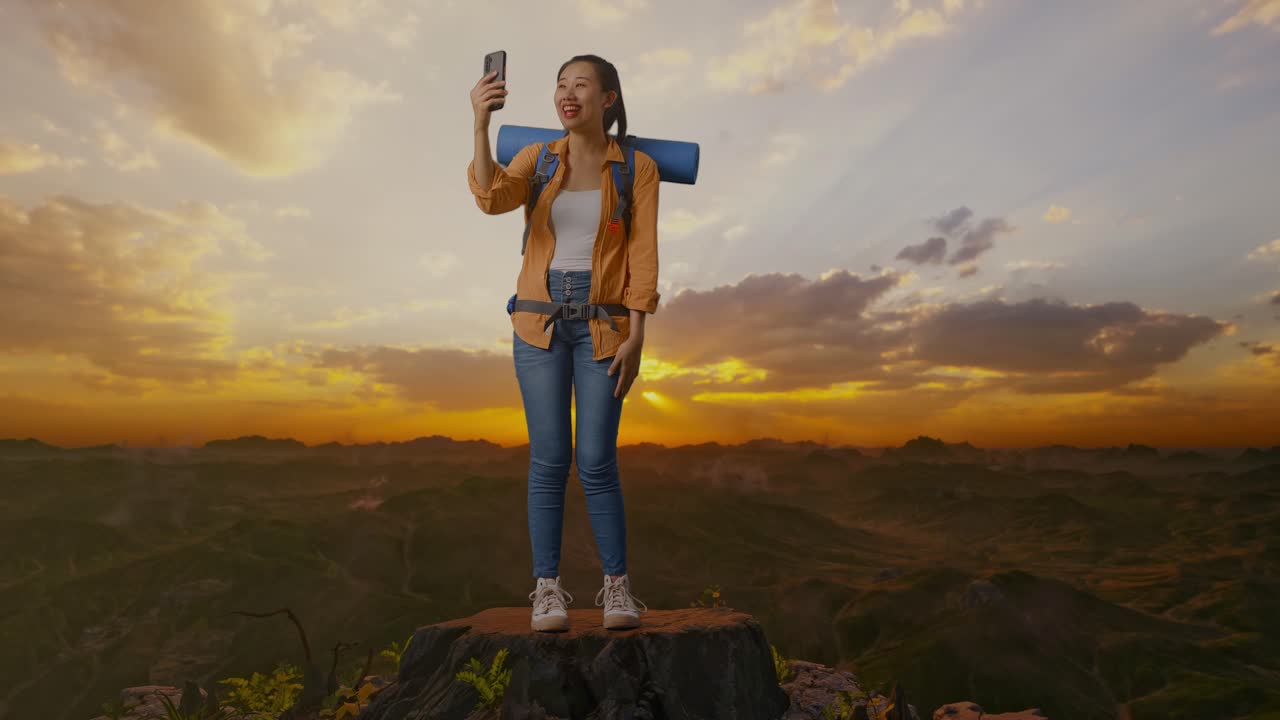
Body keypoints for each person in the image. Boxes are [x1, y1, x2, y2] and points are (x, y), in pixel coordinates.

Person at [467, 54, 660, 632]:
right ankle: (547, 590)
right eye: (560, 85)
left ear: (609, 99)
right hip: (538, 324)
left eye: (581, 85)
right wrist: (479, 124)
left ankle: (617, 589)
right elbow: (490, 198)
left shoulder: (636, 169)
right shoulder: (537, 158)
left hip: (605, 327)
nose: (566, 94)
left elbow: (643, 253)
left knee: (598, 461)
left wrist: (638, 331)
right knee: (550, 461)